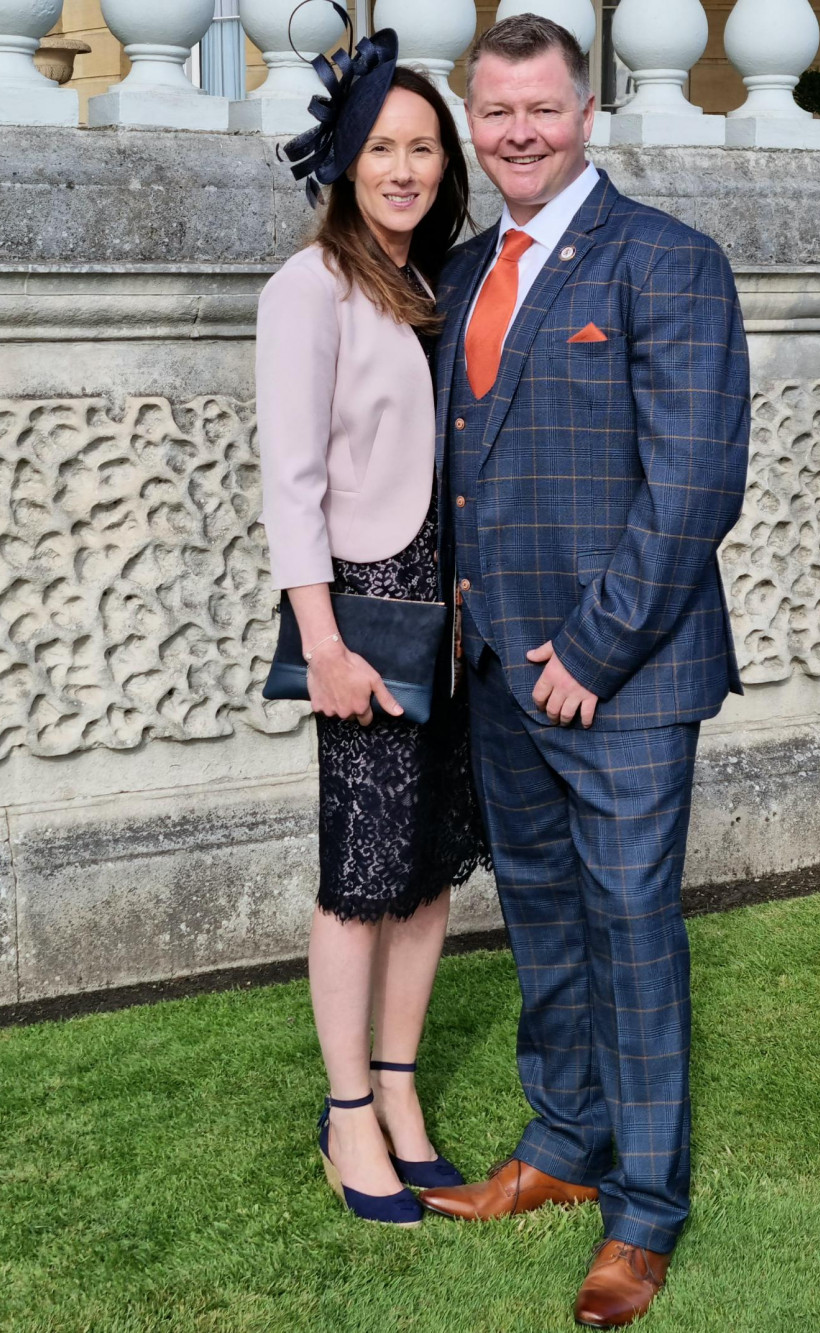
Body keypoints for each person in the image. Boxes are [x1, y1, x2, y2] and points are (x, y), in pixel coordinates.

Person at [417, 15, 751, 1327]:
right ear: (474, 115)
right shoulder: (454, 273)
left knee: (630, 934)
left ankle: (647, 1213)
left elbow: (694, 486)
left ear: (588, 110)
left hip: (622, 677)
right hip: (496, 670)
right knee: (546, 926)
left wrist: (594, 651)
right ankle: (560, 1149)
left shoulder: (668, 264)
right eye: (495, 112)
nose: (517, 134)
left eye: (540, 110)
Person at [256, 13, 484, 1228]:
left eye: (427, 150)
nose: (406, 168)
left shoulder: (420, 280)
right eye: (385, 147)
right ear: (346, 157)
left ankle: (399, 1093)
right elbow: (289, 477)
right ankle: (348, 1114)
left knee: (429, 870)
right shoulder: (310, 286)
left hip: (442, 614)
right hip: (366, 617)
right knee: (359, 876)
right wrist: (325, 642)